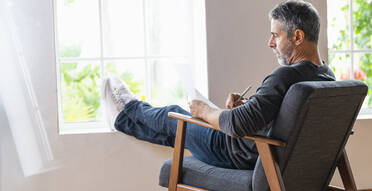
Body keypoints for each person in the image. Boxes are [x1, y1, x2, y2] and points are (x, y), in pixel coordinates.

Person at [101, 0, 335, 170]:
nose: (270, 43)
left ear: (297, 37)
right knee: (177, 132)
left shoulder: (285, 76)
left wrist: (204, 110)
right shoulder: (326, 77)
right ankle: (122, 120)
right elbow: (282, 117)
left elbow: (236, 124)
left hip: (234, 151)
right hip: (267, 151)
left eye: (275, 35)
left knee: (171, 116)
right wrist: (247, 108)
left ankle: (128, 108)